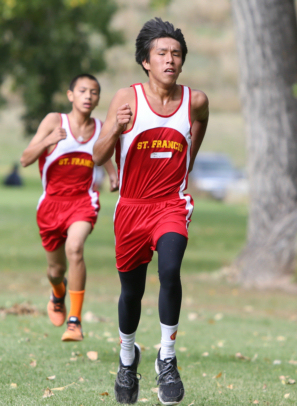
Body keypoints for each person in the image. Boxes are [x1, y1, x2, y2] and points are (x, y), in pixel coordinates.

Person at [93, 18, 209, 405]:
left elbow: (200, 125)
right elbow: (97, 155)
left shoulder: (196, 101)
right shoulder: (126, 99)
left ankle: (168, 357)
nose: (170, 60)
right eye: (162, 53)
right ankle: (128, 358)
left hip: (170, 205)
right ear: (146, 60)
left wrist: (187, 159)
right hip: (131, 208)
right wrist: (114, 130)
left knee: (171, 270)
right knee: (131, 291)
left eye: (177, 54)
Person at [21, 74, 119, 342]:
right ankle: (57, 292)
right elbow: (25, 159)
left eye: (95, 92)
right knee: (55, 271)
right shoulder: (55, 121)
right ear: (70, 95)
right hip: (51, 204)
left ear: (98, 99)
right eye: (83, 90)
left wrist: (112, 174)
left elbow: (101, 154)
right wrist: (47, 140)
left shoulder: (100, 127)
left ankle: (75, 321)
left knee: (75, 248)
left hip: (82, 201)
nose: (89, 96)